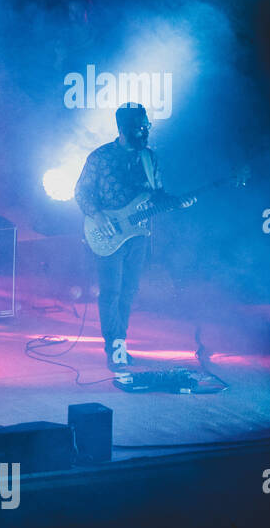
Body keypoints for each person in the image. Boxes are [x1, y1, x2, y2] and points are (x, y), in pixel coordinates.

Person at [74, 102, 192, 371]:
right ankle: (113, 347)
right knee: (111, 292)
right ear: (123, 129)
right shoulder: (100, 158)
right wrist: (98, 216)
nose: (145, 132)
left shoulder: (149, 158)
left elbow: (158, 195)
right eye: (140, 128)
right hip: (107, 234)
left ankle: (120, 344)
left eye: (147, 126)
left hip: (138, 234)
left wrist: (178, 202)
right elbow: (81, 192)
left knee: (129, 291)